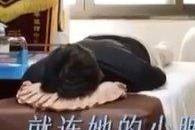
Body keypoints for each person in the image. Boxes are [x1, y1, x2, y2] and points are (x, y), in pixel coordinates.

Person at [23, 35, 166, 98]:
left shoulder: (129, 68)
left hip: (133, 44)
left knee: (163, 53)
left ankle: (163, 46)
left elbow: (160, 77)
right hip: (91, 39)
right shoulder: (39, 72)